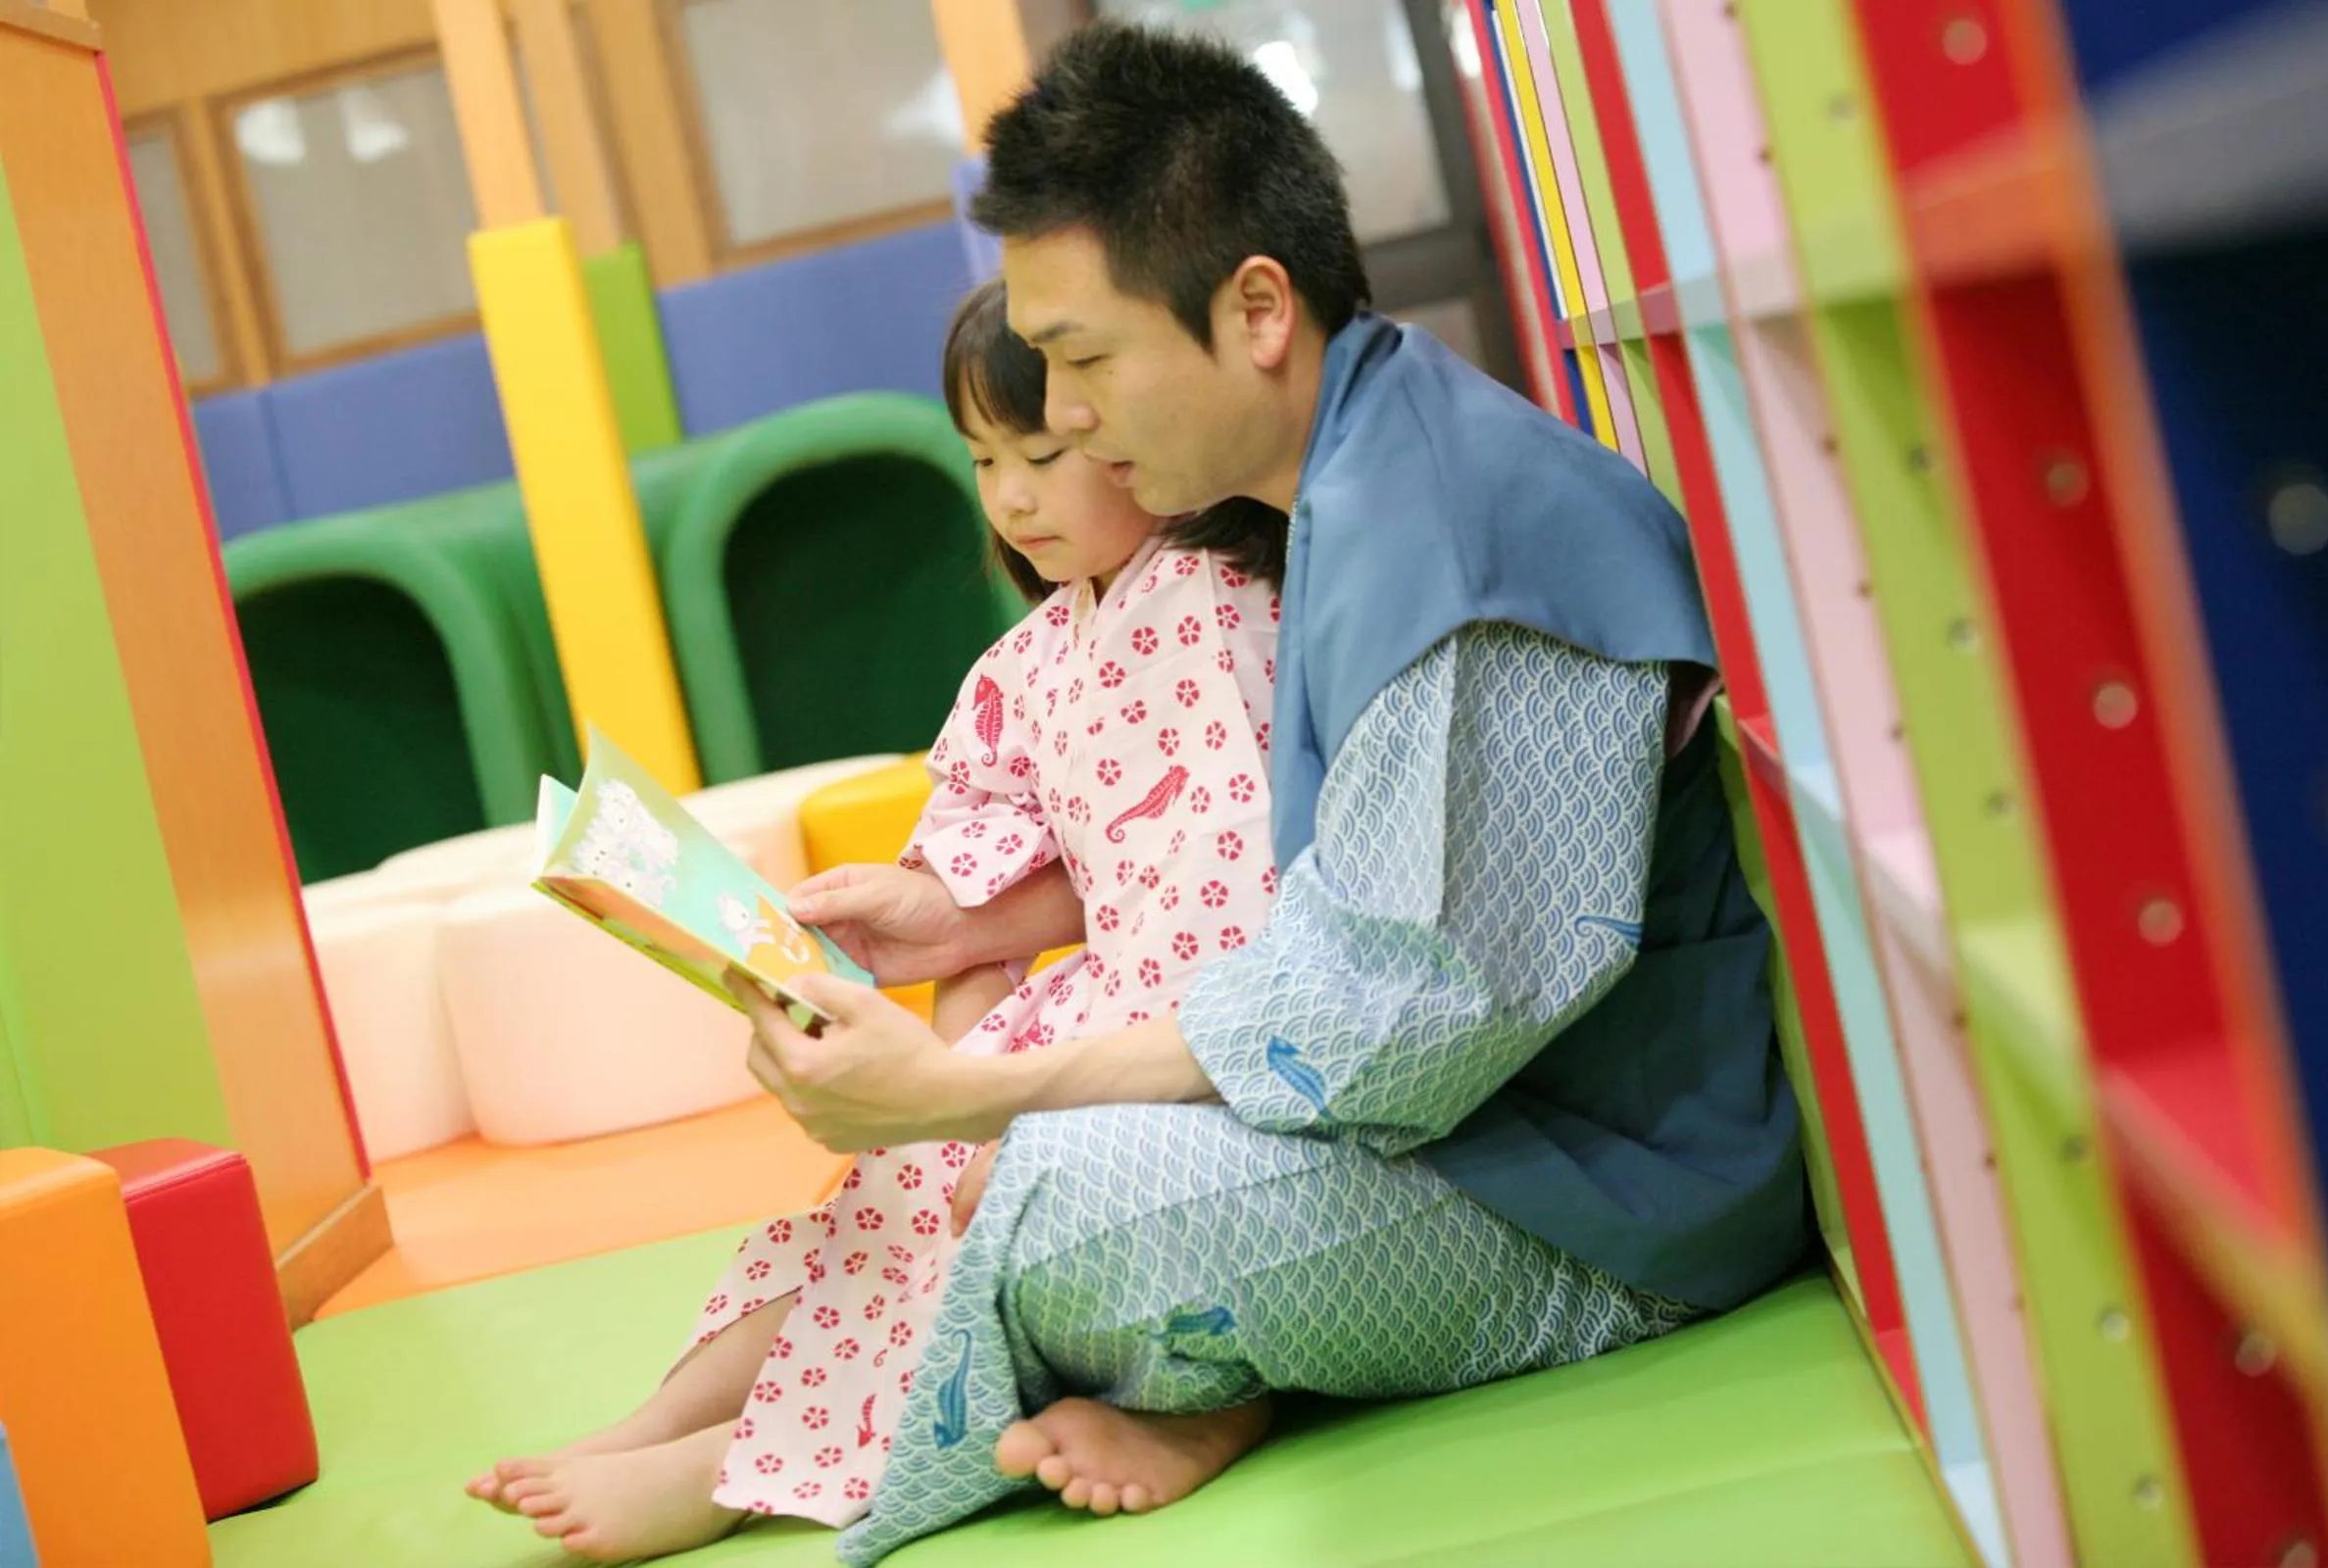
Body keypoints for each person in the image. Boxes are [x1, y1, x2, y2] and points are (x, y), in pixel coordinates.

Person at [737, 22, 1809, 1566]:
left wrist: (963, 1092)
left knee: (1048, 1211)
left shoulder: (1448, 544)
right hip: (1459, 1130)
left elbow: (1389, 1035)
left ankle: (1162, 1395)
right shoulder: (1346, 482)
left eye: (1090, 364)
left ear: (1255, 311)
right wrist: (961, 931)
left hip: (1595, 1198)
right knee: (987, 1186)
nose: (1074, 424)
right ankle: (1167, 1387)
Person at [464, 277, 1289, 1562]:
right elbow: (999, 893)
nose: (1010, 495)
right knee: (883, 1196)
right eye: (982, 460)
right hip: (1074, 1003)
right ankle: (661, 1419)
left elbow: (1215, 871)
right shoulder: (1024, 665)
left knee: (965, 1225)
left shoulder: (1225, 594)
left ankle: (742, 1471)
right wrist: (939, 1007)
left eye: (1043, 453)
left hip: (1182, 1018)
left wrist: (979, 1081)